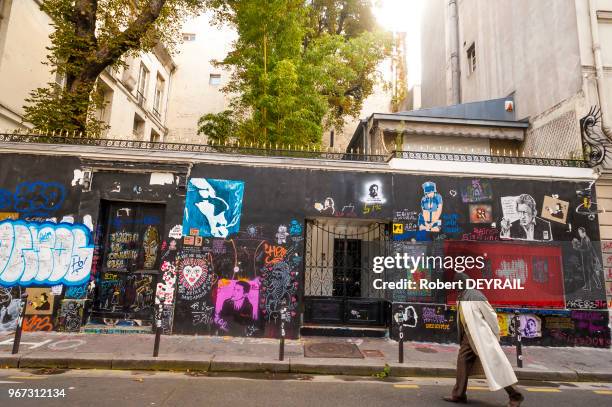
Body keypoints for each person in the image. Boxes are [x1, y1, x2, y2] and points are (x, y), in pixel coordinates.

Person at [444, 273, 524, 406]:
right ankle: (458, 394)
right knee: (462, 362)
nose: (455, 285)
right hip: (469, 337)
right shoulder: (461, 297)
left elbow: (491, 315)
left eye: (457, 283)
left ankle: (515, 395)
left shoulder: (475, 295)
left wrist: (496, 334)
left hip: (482, 337)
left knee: (495, 365)